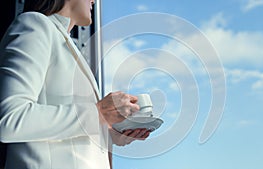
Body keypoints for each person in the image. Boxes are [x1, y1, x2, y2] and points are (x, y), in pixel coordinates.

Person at [0, 0, 151, 168]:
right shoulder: (34, 24)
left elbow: (73, 127)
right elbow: (10, 119)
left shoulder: (69, 47)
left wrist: (111, 134)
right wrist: (99, 113)